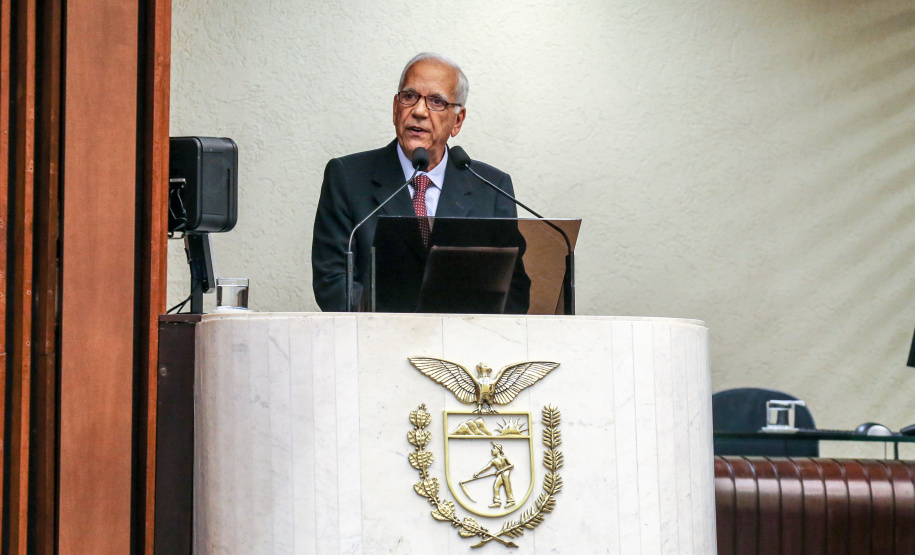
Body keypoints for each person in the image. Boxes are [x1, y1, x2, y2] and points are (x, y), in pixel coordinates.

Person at [311, 52, 530, 312]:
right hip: (376, 342)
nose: (418, 111)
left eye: (436, 101)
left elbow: (513, 291)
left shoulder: (491, 188)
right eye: (409, 97)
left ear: (457, 120)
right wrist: (400, 323)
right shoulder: (347, 177)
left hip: (462, 346)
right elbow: (333, 282)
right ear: (395, 109)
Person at [473, 442, 515, 508]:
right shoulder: (494, 460)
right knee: (496, 486)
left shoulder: (504, 458)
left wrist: (501, 470)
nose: (492, 450)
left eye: (494, 448)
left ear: (498, 450)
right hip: (500, 474)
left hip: (505, 474)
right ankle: (497, 502)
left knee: (507, 487)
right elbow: (487, 467)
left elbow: (512, 465)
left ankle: (511, 501)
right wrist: (478, 473)